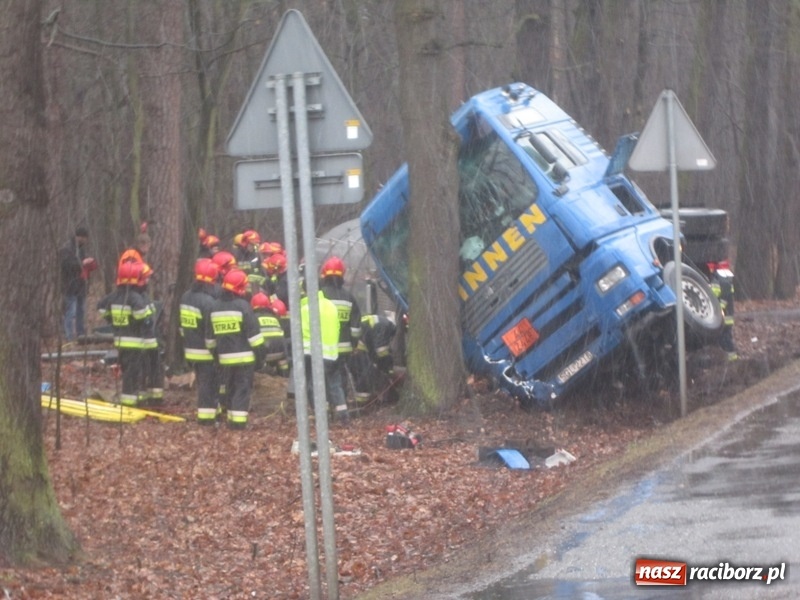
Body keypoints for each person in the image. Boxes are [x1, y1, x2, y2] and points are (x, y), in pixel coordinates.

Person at [205, 268, 265, 430]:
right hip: (245, 359)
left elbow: (210, 339)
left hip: (224, 359)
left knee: (230, 389)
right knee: (242, 390)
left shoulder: (214, 307)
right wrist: (261, 358)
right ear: (239, 288)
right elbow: (255, 338)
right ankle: (238, 424)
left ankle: (232, 419)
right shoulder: (243, 306)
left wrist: (216, 356)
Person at [97, 261, 153, 407]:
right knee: (132, 373)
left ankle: (134, 397)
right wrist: (149, 312)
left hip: (120, 342)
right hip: (135, 342)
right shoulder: (134, 297)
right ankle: (129, 402)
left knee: (128, 370)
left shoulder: (113, 296)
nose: (146, 281)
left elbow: (101, 308)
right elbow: (141, 314)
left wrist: (112, 319)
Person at [300, 277, 349, 425]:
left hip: (312, 353)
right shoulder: (331, 306)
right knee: (334, 384)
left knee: (313, 385)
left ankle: (322, 414)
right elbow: (337, 328)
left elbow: (300, 332)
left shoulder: (305, 309)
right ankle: (342, 415)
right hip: (332, 353)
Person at [180, 258, 222, 425]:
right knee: (208, 385)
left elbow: (183, 326)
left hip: (191, 348)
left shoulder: (185, 297)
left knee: (203, 383)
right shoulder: (208, 302)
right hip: (205, 351)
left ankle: (213, 412)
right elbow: (210, 332)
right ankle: (206, 419)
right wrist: (215, 350)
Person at [319, 256, 362, 406]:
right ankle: (340, 407)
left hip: (324, 348)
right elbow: (355, 327)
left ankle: (326, 407)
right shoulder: (349, 297)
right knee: (340, 377)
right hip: (344, 348)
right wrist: (353, 344)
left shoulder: (319, 296)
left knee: (324, 378)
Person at [59, 226, 96, 341]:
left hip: (81, 285)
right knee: (71, 311)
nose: (84, 240)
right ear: (78, 236)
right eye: (83, 237)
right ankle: (69, 336)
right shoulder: (67, 248)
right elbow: (66, 265)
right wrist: (82, 263)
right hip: (70, 285)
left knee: (81, 310)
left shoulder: (82, 249)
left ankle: (80, 334)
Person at [351, 313, 398, 403]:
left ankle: (363, 399)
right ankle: (363, 401)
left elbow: (374, 348)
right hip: (358, 347)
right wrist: (387, 369)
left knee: (361, 372)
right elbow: (381, 350)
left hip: (355, 345)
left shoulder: (377, 323)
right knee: (366, 372)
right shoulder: (386, 325)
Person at [135, 263, 163, 406]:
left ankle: (155, 398)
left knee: (154, 368)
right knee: (141, 370)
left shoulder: (144, 296)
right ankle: (141, 399)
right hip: (142, 342)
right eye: (145, 278)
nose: (147, 282)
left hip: (151, 340)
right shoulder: (135, 298)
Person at [251, 292, 289, 377]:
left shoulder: (252, 318)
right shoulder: (274, 318)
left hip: (264, 356)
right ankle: (284, 376)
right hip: (280, 355)